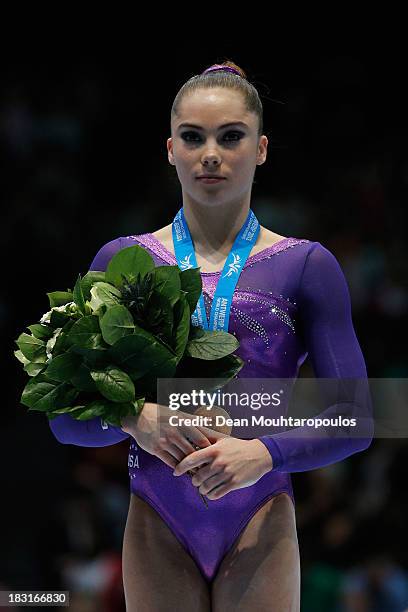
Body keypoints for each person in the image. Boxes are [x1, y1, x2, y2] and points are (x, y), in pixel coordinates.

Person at [49, 60, 374, 611]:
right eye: (193, 137)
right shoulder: (122, 260)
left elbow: (359, 417)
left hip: (261, 513)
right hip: (157, 515)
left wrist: (264, 454)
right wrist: (135, 418)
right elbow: (64, 420)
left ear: (262, 148)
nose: (211, 153)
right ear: (170, 148)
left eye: (231, 136)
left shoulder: (306, 265)